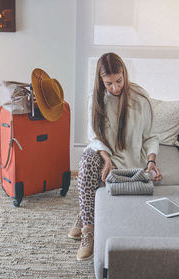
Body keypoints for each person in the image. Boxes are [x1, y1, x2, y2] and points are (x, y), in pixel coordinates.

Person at [68, 52, 163, 261]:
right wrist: (107, 158)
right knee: (87, 160)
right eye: (108, 83)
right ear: (101, 81)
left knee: (90, 165)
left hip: (131, 161)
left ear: (124, 74)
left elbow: (151, 137)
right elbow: (94, 135)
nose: (115, 87)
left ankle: (84, 211)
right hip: (107, 155)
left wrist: (151, 161)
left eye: (119, 81)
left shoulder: (140, 98)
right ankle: (88, 229)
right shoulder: (96, 98)